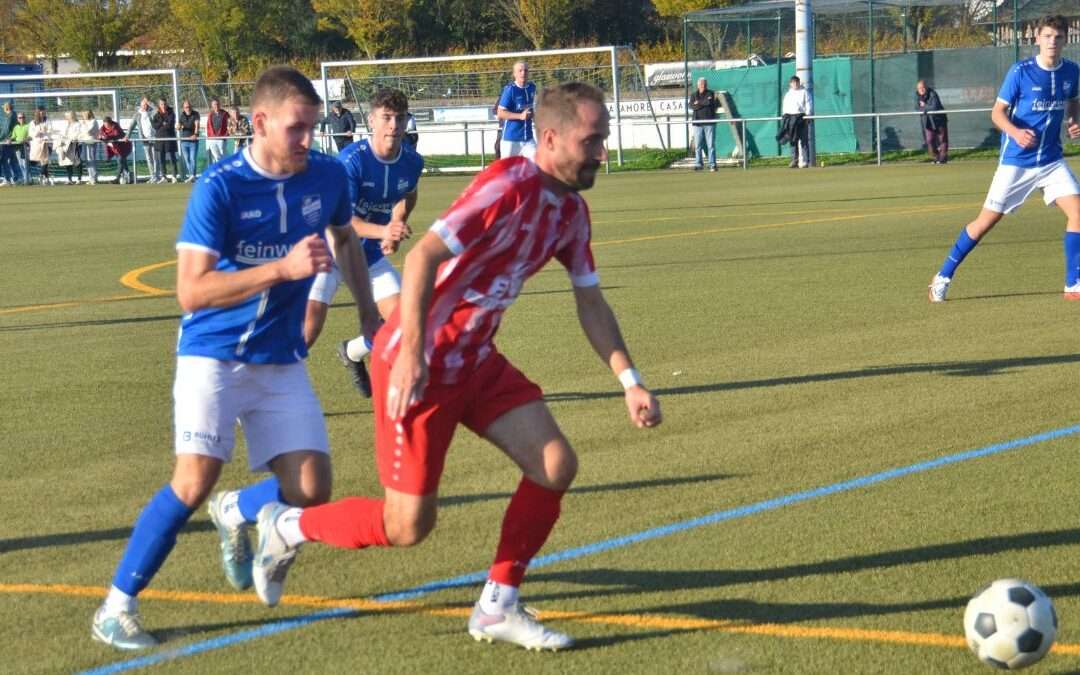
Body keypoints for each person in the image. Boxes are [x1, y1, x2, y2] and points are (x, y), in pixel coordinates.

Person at [249, 82, 663, 652]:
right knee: (407, 527)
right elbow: (422, 255)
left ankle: (497, 605)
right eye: (592, 141)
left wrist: (629, 380)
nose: (602, 152)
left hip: (475, 362)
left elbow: (590, 299)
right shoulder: (506, 186)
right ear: (549, 138)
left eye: (604, 141)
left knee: (555, 464)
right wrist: (414, 349)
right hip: (414, 363)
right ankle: (286, 526)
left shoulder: (571, 212)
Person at [90, 65, 382, 651]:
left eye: (313, 128)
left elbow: (345, 237)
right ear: (260, 122)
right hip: (213, 356)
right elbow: (191, 291)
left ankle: (239, 511)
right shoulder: (219, 187)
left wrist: (368, 312)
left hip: (280, 358)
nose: (307, 140)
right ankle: (115, 606)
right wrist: (281, 268)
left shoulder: (326, 175)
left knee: (311, 488)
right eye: (297, 129)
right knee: (193, 480)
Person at [928, 14, 1080, 302]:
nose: (1052, 42)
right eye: (1047, 36)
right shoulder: (1020, 71)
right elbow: (997, 113)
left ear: (1065, 40)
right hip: (1016, 162)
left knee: (1079, 212)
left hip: (1050, 161)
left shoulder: (1072, 71)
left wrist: (1074, 119)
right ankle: (943, 276)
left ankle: (1074, 284)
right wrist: (1015, 132)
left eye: (1058, 37)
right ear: (1037, 38)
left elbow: (1073, 100)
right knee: (985, 222)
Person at [305, 89, 423, 397]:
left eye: (399, 118)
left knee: (403, 324)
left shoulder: (411, 161)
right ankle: (252, 388)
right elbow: (343, 223)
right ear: (371, 120)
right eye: (386, 118)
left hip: (368, 255)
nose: (393, 125)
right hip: (330, 250)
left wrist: (396, 222)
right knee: (309, 327)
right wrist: (384, 231)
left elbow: (407, 194)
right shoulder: (351, 162)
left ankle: (353, 351)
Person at [497, 61, 537, 159]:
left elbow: (529, 108)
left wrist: (535, 117)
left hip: (528, 139)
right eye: (520, 71)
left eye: (526, 70)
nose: (523, 73)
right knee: (506, 172)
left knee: (538, 166)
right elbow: (500, 113)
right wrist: (520, 116)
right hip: (511, 140)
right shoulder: (510, 90)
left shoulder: (532, 87)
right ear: (514, 74)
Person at [780, 76, 812, 169]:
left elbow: (809, 104)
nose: (795, 84)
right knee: (793, 140)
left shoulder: (804, 92)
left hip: (801, 118)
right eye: (793, 82)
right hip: (790, 119)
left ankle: (806, 161)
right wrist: (785, 117)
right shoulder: (788, 94)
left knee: (804, 140)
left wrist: (808, 117)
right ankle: (794, 160)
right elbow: (785, 107)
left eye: (797, 82)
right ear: (790, 84)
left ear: (799, 82)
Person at [915, 79, 948, 164]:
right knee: (929, 140)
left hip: (939, 120)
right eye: (919, 88)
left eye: (923, 87)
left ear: (926, 87)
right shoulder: (917, 95)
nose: (921, 89)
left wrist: (924, 106)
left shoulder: (933, 93)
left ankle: (943, 158)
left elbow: (935, 107)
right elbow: (917, 108)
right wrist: (925, 108)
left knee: (942, 139)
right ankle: (936, 156)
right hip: (927, 121)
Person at [689, 77, 718, 171]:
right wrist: (701, 103)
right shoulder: (693, 95)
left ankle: (712, 164)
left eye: (704, 84)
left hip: (709, 123)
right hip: (697, 123)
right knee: (698, 146)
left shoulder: (710, 93)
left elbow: (708, 102)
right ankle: (698, 164)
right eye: (701, 84)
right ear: (698, 85)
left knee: (711, 145)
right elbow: (691, 106)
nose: (703, 86)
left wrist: (698, 103)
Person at [129, 97, 158, 183]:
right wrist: (127, 136)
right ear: (140, 105)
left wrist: (148, 101)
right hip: (144, 139)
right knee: (149, 158)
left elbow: (156, 109)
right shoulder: (137, 114)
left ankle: (157, 176)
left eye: (146, 105)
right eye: (143, 104)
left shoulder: (150, 113)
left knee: (155, 157)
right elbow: (131, 126)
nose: (145, 106)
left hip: (153, 137)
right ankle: (153, 176)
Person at [99, 116, 132, 184]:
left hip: (124, 147)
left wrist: (106, 137)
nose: (106, 126)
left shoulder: (116, 126)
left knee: (120, 161)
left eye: (107, 124)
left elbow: (116, 135)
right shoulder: (102, 129)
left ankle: (117, 178)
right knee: (123, 162)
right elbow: (101, 136)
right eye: (105, 124)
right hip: (115, 148)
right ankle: (129, 176)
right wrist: (101, 138)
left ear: (110, 123)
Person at [152, 98, 179, 183]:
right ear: (159, 105)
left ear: (167, 104)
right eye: (161, 104)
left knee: (172, 157)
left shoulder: (171, 113)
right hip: (160, 139)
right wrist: (162, 123)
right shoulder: (157, 114)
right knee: (161, 158)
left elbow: (170, 125)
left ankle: (174, 176)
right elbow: (154, 125)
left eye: (164, 104)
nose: (163, 106)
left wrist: (161, 125)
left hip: (169, 138)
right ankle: (164, 176)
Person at [177, 99, 200, 182]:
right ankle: (191, 176)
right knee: (187, 159)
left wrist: (196, 134)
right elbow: (179, 125)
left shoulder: (195, 114)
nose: (188, 108)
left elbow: (197, 125)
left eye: (189, 107)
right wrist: (178, 127)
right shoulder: (182, 115)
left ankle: (193, 175)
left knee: (192, 158)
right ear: (183, 108)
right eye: (186, 107)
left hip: (193, 141)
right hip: (184, 141)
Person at [28, 107, 52, 185]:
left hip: (46, 143)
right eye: (41, 113)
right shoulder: (33, 122)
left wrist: (46, 132)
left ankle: (42, 176)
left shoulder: (48, 121)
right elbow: (31, 134)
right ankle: (45, 178)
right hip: (37, 144)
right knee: (41, 161)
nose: (42, 114)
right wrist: (39, 131)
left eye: (44, 113)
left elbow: (50, 131)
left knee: (45, 160)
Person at [57, 110, 81, 184]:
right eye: (66, 116)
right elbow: (62, 134)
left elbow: (78, 133)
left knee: (77, 161)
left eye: (67, 116)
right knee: (67, 161)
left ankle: (79, 178)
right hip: (66, 145)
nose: (66, 118)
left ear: (71, 116)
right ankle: (69, 179)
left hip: (75, 144)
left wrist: (72, 139)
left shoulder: (77, 124)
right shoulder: (66, 125)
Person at [77, 110, 100, 185]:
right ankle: (91, 177)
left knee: (91, 159)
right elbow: (81, 132)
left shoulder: (93, 121)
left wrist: (84, 124)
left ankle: (93, 177)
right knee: (87, 160)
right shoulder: (84, 122)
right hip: (84, 141)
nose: (83, 116)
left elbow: (89, 131)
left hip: (91, 142)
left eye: (84, 115)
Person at [0, 102, 19, 185]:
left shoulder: (9, 117)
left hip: (7, 141)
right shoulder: (14, 115)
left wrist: (0, 138)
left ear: (6, 108)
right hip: (13, 140)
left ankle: (8, 179)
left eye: (4, 107)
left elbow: (6, 130)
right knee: (13, 160)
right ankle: (17, 178)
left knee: (4, 160)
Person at [205, 97, 228, 164]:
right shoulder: (210, 114)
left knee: (223, 155)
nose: (216, 106)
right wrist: (209, 136)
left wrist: (226, 134)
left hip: (221, 138)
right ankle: (220, 169)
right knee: (216, 157)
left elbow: (229, 124)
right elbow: (208, 126)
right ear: (212, 105)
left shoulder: (225, 114)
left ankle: (224, 170)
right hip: (212, 138)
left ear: (220, 104)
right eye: (214, 104)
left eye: (217, 104)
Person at [10, 111, 29, 184]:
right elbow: (13, 136)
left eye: (23, 117)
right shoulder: (16, 127)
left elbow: (31, 136)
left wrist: (26, 139)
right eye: (20, 118)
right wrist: (10, 139)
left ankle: (28, 179)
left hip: (25, 147)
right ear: (18, 119)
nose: (21, 119)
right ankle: (25, 179)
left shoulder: (28, 126)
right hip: (17, 147)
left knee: (25, 164)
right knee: (21, 164)